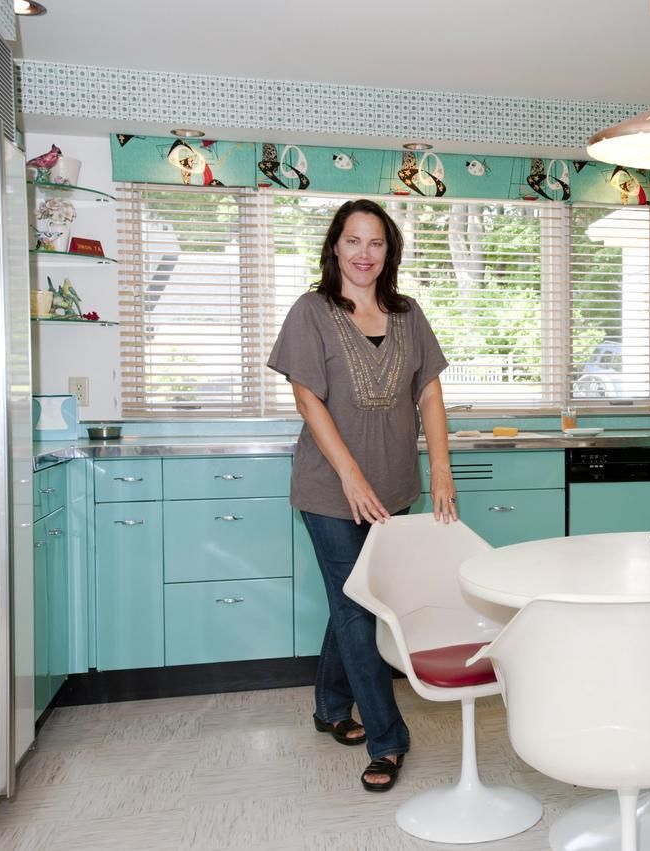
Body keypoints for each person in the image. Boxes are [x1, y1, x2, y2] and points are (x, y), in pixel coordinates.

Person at [267, 198, 457, 793]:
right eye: (353, 241)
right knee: (360, 605)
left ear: (388, 252)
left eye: (376, 243)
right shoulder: (312, 311)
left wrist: (442, 471)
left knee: (357, 600)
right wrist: (349, 475)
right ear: (334, 247)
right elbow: (308, 400)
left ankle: (329, 705)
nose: (364, 254)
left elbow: (428, 394)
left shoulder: (407, 314)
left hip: (393, 485)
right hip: (329, 489)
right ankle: (388, 739)